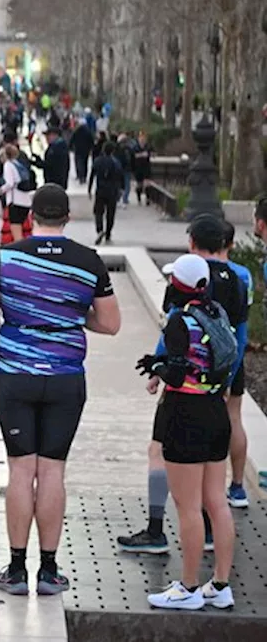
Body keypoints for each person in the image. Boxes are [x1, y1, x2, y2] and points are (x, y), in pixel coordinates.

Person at [0, 185, 120, 597]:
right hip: (66, 378)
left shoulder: (6, 258)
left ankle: (17, 569)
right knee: (53, 470)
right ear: (68, 218)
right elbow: (111, 323)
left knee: (22, 470)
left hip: (16, 377)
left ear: (31, 216)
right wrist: (72, 317)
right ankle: (50, 570)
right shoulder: (88, 260)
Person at [117, 216, 247, 553]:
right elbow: (239, 334)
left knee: (158, 451)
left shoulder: (186, 278)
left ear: (192, 242)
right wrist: (226, 376)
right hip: (219, 381)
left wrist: (158, 370)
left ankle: (156, 528)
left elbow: (174, 334)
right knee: (211, 469)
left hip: (184, 389)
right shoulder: (237, 277)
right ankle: (211, 537)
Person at [137, 255, 236, 610]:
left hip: (186, 415)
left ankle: (189, 588)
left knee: (188, 507)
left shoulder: (180, 321)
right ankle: (220, 585)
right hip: (215, 410)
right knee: (216, 502)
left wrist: (158, 366)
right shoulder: (217, 313)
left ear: (177, 284)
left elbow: (178, 374)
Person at [221, 222, 254, 508]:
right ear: (231, 244)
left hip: (203, 359)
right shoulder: (243, 275)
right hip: (235, 354)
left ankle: (209, 488)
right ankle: (238, 486)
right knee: (234, 418)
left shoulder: (196, 273)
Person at [87, 141, 124, 245]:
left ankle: (99, 229)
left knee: (98, 212)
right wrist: (122, 189)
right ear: (112, 151)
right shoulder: (116, 162)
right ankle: (108, 233)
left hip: (101, 190)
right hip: (112, 191)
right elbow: (121, 177)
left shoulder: (97, 161)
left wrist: (89, 189)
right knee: (110, 213)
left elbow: (92, 175)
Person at [0, 145, 36, 242]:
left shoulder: (8, 165)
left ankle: (20, 253)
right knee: (23, 231)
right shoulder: (18, 164)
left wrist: (1, 190)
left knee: (17, 235)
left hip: (15, 202)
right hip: (25, 202)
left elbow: (10, 183)